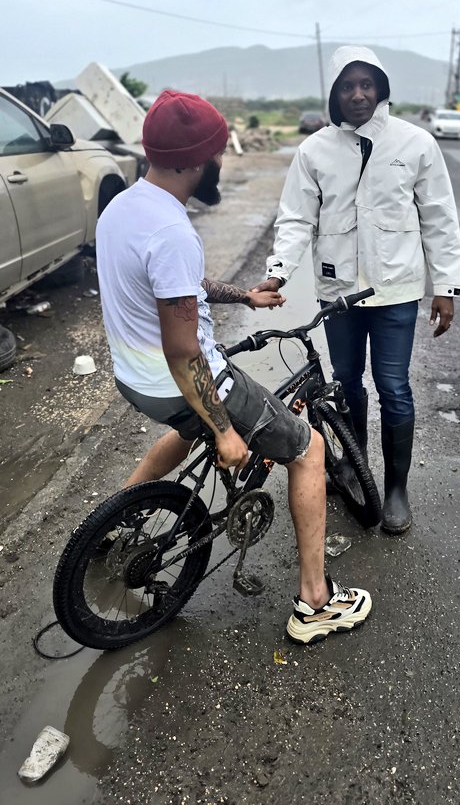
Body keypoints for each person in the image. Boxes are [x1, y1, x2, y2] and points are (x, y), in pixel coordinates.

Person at [95, 89, 372, 643]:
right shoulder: (173, 231)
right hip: (179, 378)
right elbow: (184, 352)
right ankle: (316, 603)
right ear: (196, 161)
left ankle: (112, 523)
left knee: (186, 427)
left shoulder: (124, 207)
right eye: (218, 152)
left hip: (133, 379)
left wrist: (244, 297)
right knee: (309, 448)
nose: (222, 160)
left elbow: (179, 290)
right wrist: (223, 429)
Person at [255, 46, 460, 535]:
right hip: (339, 290)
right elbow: (295, 217)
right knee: (346, 382)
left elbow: (439, 217)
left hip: (397, 290)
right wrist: (279, 272)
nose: (358, 94)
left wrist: (446, 286)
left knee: (394, 387)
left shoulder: (414, 143)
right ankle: (357, 465)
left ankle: (395, 487)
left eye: (367, 84)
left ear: (382, 88)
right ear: (334, 94)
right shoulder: (314, 151)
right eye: (347, 86)